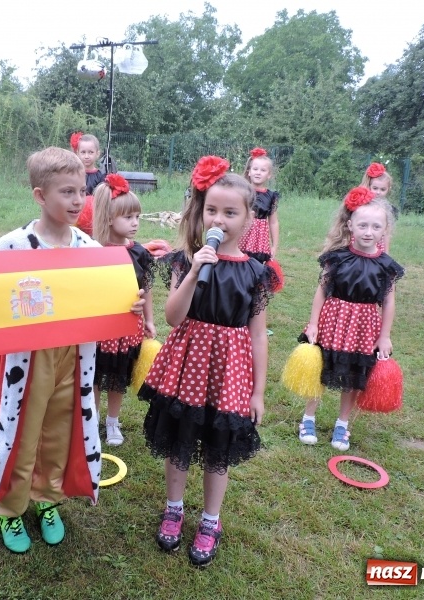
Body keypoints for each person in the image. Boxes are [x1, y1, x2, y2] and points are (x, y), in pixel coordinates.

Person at [0, 147, 145, 554]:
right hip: (28, 361)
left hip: (75, 357)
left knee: (61, 428)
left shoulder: (89, 247)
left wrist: (129, 305)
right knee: (23, 429)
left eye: (81, 191)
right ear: (39, 195)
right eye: (66, 191)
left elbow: (109, 301)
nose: (76, 200)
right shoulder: (13, 245)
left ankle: (48, 500)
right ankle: (10, 509)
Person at [138, 156, 273, 567]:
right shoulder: (186, 260)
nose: (220, 219)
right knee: (179, 439)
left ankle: (211, 520)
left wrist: (258, 392)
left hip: (229, 372)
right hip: (187, 366)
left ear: (249, 219)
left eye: (230, 212)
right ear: (202, 212)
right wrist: (195, 270)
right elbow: (173, 317)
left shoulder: (255, 272)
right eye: (212, 210)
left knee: (218, 448)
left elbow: (257, 336)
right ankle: (174, 507)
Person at [297, 187, 404, 452]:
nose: (369, 231)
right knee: (320, 369)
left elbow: (389, 301)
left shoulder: (387, 265)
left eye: (376, 226)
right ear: (350, 226)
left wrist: (385, 336)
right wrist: (313, 323)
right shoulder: (337, 257)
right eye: (363, 225)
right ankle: (308, 417)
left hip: (364, 327)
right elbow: (322, 290)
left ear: (384, 230)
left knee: (354, 375)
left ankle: (342, 424)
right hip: (333, 321)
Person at [91, 173, 156, 446]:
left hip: (129, 327)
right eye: (128, 217)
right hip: (99, 327)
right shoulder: (94, 251)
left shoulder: (140, 253)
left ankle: (113, 421)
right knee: (94, 375)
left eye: (137, 217)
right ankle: (91, 419)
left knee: (118, 375)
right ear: (108, 218)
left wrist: (150, 320)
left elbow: (146, 288)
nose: (135, 223)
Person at [239, 147, 279, 264]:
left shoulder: (271, 196)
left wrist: (274, 246)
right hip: (240, 236)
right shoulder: (241, 191)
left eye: (263, 170)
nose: (258, 172)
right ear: (249, 172)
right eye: (255, 169)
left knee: (255, 269)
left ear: (269, 175)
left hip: (259, 242)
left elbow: (273, 222)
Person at [360, 162, 395, 253]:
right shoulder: (362, 204)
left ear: (388, 189)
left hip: (377, 246)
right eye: (375, 188)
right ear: (369, 186)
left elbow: (387, 233)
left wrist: (386, 253)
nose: (378, 192)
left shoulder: (386, 209)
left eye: (382, 189)